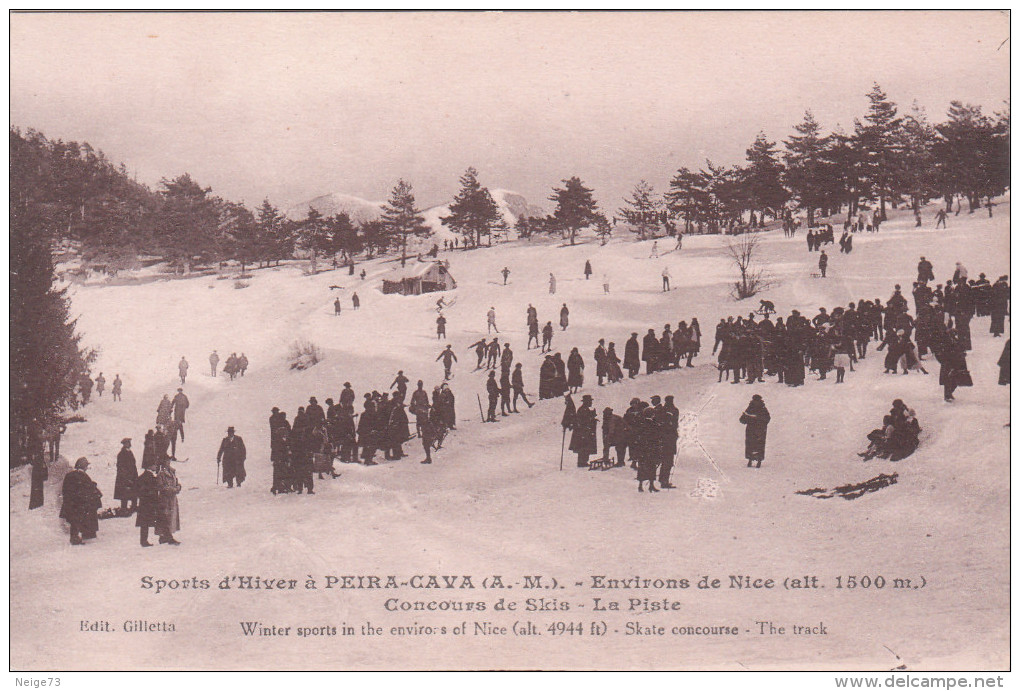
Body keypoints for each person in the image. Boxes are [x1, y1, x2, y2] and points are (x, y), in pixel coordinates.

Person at [60, 457, 101, 545]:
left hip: (71, 503)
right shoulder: (83, 476)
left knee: (74, 521)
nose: (87, 468)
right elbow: (87, 490)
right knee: (84, 516)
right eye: (86, 466)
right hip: (81, 504)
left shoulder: (69, 475)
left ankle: (74, 537)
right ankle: (86, 535)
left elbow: (65, 490)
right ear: (84, 466)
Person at [155, 457, 182, 545]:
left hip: (172, 499)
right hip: (165, 499)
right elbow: (161, 487)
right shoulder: (161, 474)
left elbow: (177, 482)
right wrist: (173, 490)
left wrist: (178, 487)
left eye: (169, 461)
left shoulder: (172, 472)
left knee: (171, 517)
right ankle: (168, 537)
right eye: (167, 461)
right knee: (166, 517)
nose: (169, 462)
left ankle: (164, 536)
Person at [740, 394, 771, 469]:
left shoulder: (758, 408)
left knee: (755, 444)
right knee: (755, 444)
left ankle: (755, 459)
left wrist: (755, 418)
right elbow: (742, 419)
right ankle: (753, 459)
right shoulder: (755, 408)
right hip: (756, 429)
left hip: (757, 429)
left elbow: (767, 419)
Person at [134, 460, 160, 547]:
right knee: (146, 523)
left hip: (144, 503)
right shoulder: (148, 476)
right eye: (154, 464)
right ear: (149, 466)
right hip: (148, 503)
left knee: (144, 523)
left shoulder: (144, 476)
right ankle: (144, 541)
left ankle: (143, 540)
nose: (156, 466)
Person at [570, 394, 598, 468]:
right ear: (586, 402)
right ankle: (581, 462)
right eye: (590, 401)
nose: (591, 403)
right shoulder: (582, 410)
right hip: (582, 433)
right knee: (583, 447)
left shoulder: (586, 409)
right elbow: (582, 421)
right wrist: (591, 419)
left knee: (586, 447)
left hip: (586, 432)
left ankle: (584, 461)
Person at [114, 437, 138, 513]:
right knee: (124, 493)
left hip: (132, 476)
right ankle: (124, 509)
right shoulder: (121, 454)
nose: (130, 444)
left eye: (130, 442)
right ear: (124, 444)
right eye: (128, 442)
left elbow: (133, 465)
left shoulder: (130, 452)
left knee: (133, 492)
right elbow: (121, 467)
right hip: (124, 477)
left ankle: (134, 507)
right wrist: (127, 478)